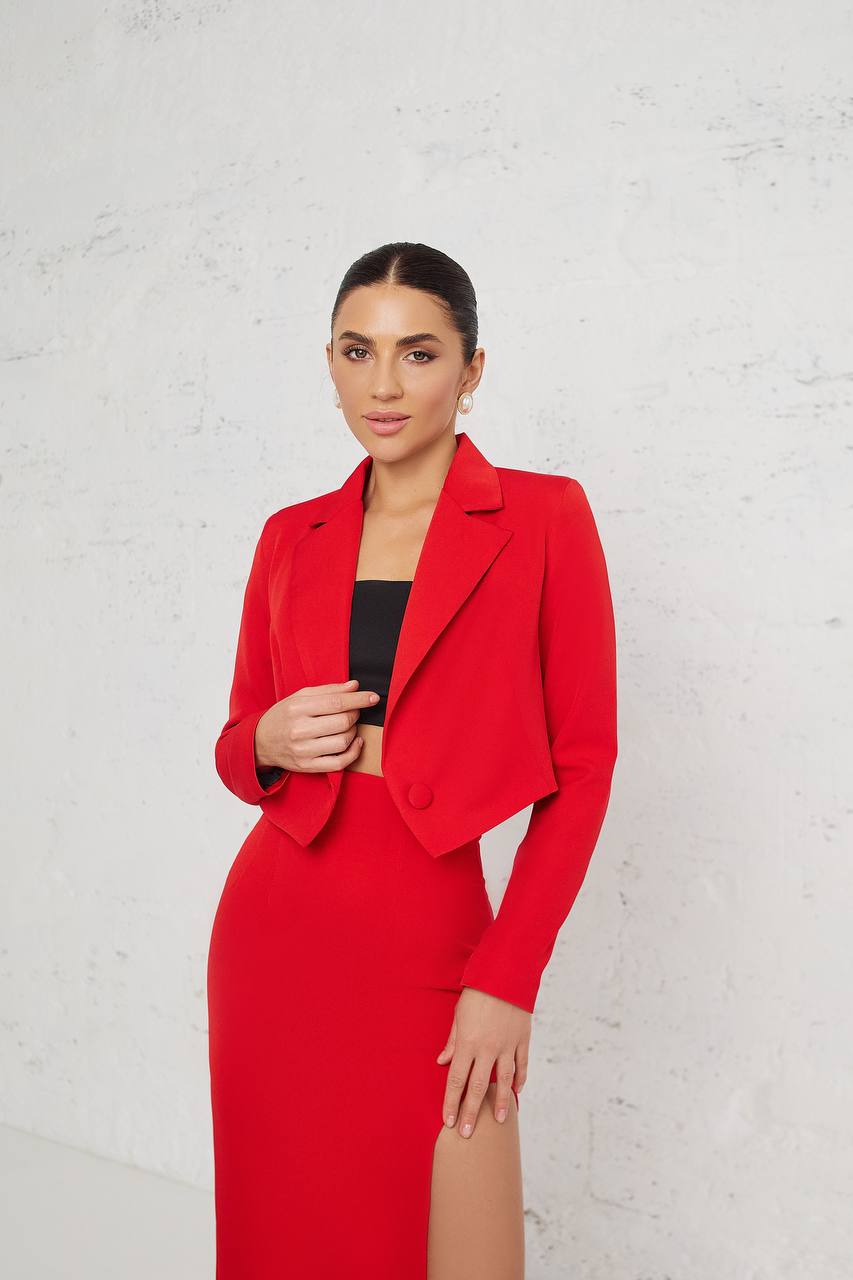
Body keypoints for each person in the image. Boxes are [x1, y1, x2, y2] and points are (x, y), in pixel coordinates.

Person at [207, 241, 618, 1279]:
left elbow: (585, 761)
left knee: (463, 1248)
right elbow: (237, 740)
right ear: (331, 362)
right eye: (357, 351)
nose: (382, 384)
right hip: (276, 930)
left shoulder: (542, 516)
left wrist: (508, 973)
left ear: (472, 369)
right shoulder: (288, 534)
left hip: (432, 930)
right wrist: (263, 741)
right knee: (287, 1238)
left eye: (418, 353)